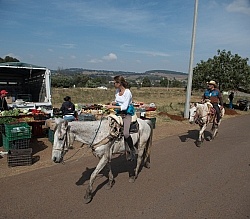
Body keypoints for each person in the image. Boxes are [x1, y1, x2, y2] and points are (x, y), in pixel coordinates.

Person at [106, 75, 136, 161]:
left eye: (115, 82)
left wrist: (112, 107)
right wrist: (113, 103)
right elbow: (117, 101)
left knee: (126, 133)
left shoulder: (128, 92)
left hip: (126, 113)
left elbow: (124, 106)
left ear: (119, 83)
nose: (114, 84)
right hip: (118, 113)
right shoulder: (117, 91)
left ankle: (132, 149)